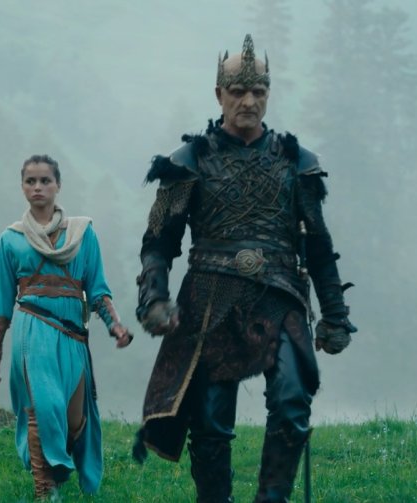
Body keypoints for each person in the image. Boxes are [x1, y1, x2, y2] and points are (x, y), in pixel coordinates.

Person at [132, 35, 358, 503]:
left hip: (280, 295)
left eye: (259, 91)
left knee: (292, 403)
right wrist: (154, 298)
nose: (249, 101)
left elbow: (318, 247)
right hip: (209, 300)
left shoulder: (296, 162)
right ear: (219, 94)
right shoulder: (189, 163)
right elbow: (159, 243)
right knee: (210, 424)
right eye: (238, 91)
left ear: (269, 93)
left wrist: (335, 315)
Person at [0, 154, 134, 499]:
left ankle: (57, 468)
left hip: (72, 334)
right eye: (30, 181)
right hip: (32, 329)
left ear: (58, 185)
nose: (37, 187)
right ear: (22, 186)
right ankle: (45, 488)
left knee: (74, 419)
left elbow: (97, 288)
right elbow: (2, 301)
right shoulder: (11, 239)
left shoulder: (83, 233)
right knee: (44, 407)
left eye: (45, 180)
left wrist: (115, 325)